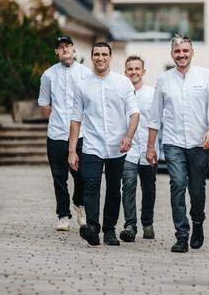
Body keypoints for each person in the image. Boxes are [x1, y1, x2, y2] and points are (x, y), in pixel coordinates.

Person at [146, 35, 209, 253]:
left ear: (192, 52)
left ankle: (198, 222)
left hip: (200, 143)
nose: (181, 55)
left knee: (197, 190)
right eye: (177, 51)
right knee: (177, 184)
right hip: (173, 142)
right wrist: (151, 147)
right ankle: (182, 235)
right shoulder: (163, 80)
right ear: (172, 54)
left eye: (185, 51)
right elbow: (154, 116)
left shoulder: (205, 76)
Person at [68, 42, 139, 247]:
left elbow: (134, 113)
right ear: (92, 57)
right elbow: (75, 119)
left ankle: (109, 230)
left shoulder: (123, 83)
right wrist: (72, 151)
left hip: (118, 146)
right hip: (92, 145)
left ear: (110, 57)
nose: (101, 58)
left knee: (114, 189)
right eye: (97, 54)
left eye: (104, 54)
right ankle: (92, 228)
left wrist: (128, 135)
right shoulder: (82, 85)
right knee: (91, 186)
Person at [38, 35, 91, 232]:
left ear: (74, 49)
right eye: (61, 47)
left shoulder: (85, 73)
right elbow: (44, 103)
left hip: (82, 134)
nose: (65, 49)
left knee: (82, 175)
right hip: (56, 134)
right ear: (56, 52)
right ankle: (63, 214)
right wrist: (56, 118)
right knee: (59, 177)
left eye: (68, 46)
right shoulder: (49, 75)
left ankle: (79, 203)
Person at [120, 55, 157, 242]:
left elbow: (158, 121)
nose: (133, 72)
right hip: (128, 150)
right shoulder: (121, 94)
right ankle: (130, 225)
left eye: (137, 69)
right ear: (125, 72)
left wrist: (155, 147)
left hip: (149, 149)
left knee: (149, 188)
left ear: (143, 72)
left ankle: (147, 222)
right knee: (128, 186)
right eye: (130, 69)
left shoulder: (152, 94)